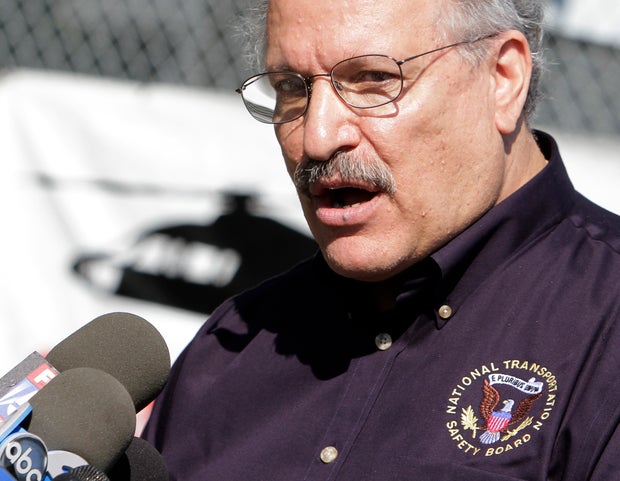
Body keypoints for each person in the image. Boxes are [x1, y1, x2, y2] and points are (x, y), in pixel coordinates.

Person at [142, 0, 620, 479]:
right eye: (290, 86)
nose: (317, 138)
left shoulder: (605, 329)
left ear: (503, 78)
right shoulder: (229, 349)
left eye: (373, 79)